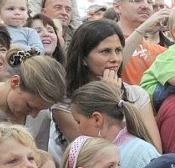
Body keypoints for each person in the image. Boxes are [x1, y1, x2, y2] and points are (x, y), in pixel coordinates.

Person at [57, 20, 162, 152]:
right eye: (105, 51)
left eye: (118, 51)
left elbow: (154, 150)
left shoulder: (136, 94)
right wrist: (107, 98)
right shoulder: (65, 103)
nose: (115, 59)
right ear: (83, 58)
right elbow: (93, 153)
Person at [114, 0, 171, 86]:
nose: (145, 6)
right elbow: (115, 64)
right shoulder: (104, 42)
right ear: (117, 7)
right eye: (136, 0)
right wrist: (144, 27)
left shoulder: (160, 51)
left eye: (149, 2)